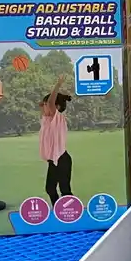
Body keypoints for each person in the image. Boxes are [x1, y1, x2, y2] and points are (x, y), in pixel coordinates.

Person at [40, 75, 73, 205]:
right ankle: (59, 210)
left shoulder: (58, 118)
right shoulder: (46, 120)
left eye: (46, 105)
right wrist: (44, 103)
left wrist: (58, 85)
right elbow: (46, 105)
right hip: (53, 161)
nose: (44, 107)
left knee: (65, 190)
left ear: (57, 107)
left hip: (62, 159)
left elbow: (50, 103)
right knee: (50, 189)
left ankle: (72, 212)